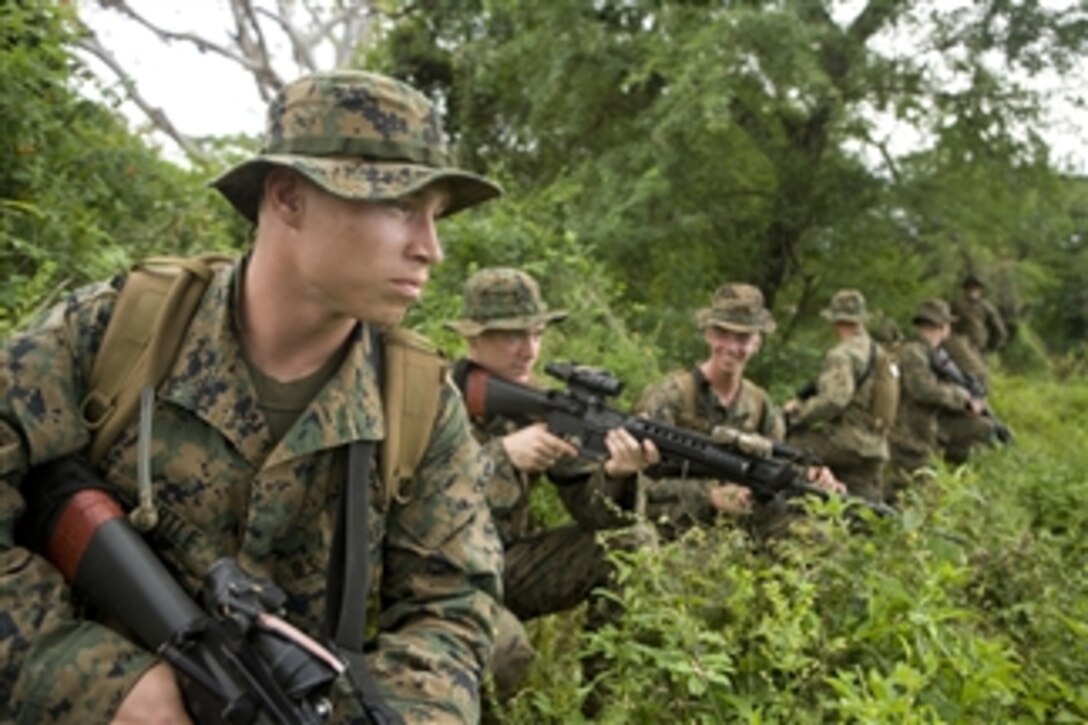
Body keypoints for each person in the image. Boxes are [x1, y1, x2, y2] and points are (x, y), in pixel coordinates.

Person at [0, 70, 505, 723]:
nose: (429, 248)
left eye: (434, 217)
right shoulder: (112, 335)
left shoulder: (417, 402)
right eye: (399, 206)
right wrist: (96, 679)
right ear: (289, 196)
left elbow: (451, 611)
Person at [446, 267, 659, 704]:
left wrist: (617, 474)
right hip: (439, 571)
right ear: (473, 339)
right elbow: (405, 495)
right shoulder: (434, 400)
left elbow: (593, 512)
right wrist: (503, 456)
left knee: (631, 542)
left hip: (508, 565)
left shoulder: (540, 403)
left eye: (538, 334)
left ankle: (603, 705)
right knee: (508, 653)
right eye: (513, 336)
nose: (530, 350)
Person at [633, 283, 842, 538]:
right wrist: (709, 495)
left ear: (757, 343)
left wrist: (811, 478)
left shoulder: (761, 406)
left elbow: (775, 473)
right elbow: (636, 479)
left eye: (743, 338)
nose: (732, 347)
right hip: (675, 532)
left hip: (742, 533)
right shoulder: (670, 397)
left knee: (818, 537)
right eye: (722, 333)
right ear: (708, 334)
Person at [782, 289, 892, 503]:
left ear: (835, 321)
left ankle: (790, 512)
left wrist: (796, 415)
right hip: (875, 445)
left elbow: (834, 399)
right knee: (866, 506)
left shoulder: (842, 354)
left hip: (846, 443)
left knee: (786, 449)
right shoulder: (877, 351)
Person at [888, 299, 984, 494]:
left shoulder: (931, 353)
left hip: (921, 427)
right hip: (909, 431)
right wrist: (961, 397)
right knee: (909, 486)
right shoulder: (914, 352)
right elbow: (923, 390)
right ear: (942, 327)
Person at [950, 273, 1008, 358]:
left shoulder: (987, 307)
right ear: (965, 289)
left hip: (979, 351)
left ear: (980, 290)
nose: (973, 291)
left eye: (976, 288)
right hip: (959, 349)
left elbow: (1000, 331)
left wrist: (990, 349)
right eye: (970, 288)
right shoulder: (956, 305)